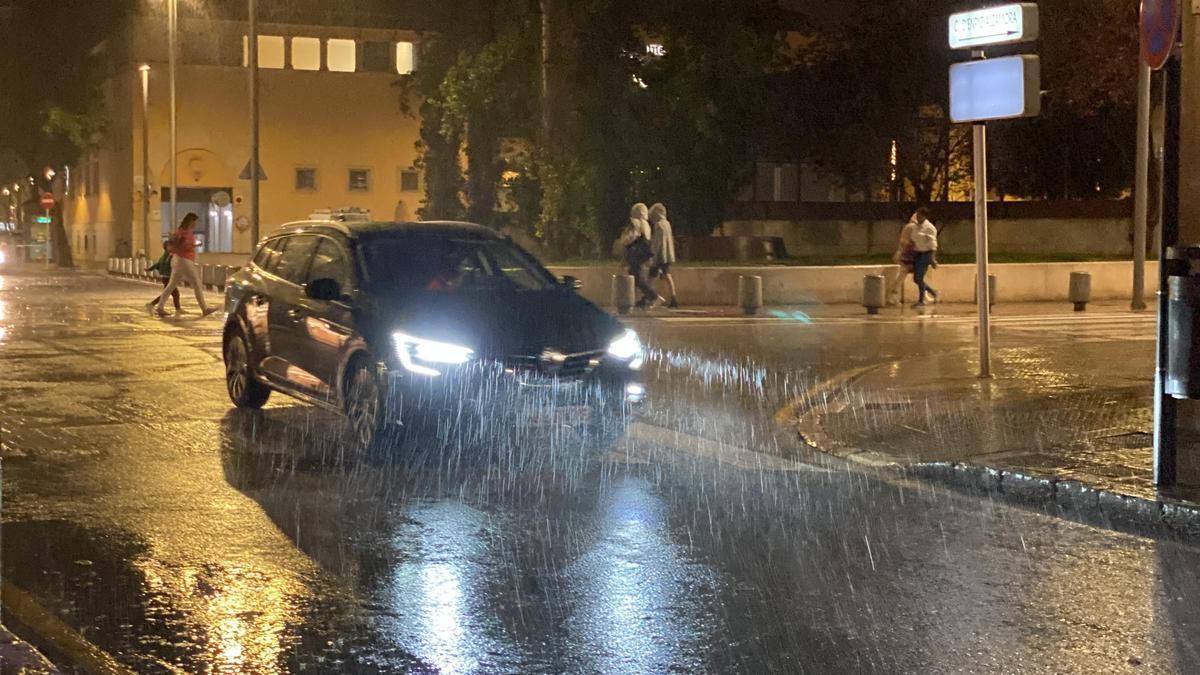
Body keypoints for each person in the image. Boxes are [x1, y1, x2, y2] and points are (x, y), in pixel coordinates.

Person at [147, 213, 217, 317]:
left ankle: (159, 307)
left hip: (177, 260)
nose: (196, 224)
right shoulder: (185, 233)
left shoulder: (179, 232)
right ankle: (204, 309)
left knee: (171, 285)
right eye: (195, 222)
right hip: (184, 260)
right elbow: (183, 246)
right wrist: (195, 244)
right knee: (197, 284)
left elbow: (172, 246)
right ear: (191, 221)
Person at [618, 203, 660, 308]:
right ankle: (645, 299)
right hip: (641, 255)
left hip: (634, 255)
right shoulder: (646, 224)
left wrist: (624, 240)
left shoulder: (636, 223)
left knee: (637, 278)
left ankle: (654, 297)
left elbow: (630, 238)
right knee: (637, 277)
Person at [648, 202, 679, 308]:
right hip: (667, 255)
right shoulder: (667, 223)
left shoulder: (659, 225)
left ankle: (648, 298)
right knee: (667, 276)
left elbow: (657, 243)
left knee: (651, 277)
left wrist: (653, 256)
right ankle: (673, 298)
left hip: (660, 256)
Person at [910, 207, 940, 306]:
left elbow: (933, 244)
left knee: (919, 277)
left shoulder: (929, 228)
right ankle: (933, 292)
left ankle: (922, 300)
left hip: (926, 254)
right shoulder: (916, 226)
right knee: (916, 278)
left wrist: (932, 258)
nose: (917, 218)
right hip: (917, 253)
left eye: (919, 216)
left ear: (924, 216)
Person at [888, 214, 918, 306]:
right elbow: (912, 242)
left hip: (903, 254)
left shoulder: (908, 226)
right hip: (907, 255)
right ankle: (892, 296)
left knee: (903, 275)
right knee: (904, 275)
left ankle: (893, 295)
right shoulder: (913, 227)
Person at [147, 239, 182, 314]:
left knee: (170, 293)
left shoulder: (166, 254)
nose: (172, 247)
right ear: (166, 247)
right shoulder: (169, 255)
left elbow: (157, 264)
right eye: (170, 246)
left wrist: (150, 269)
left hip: (166, 277)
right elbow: (163, 264)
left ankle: (178, 309)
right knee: (171, 293)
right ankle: (152, 304)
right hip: (168, 277)